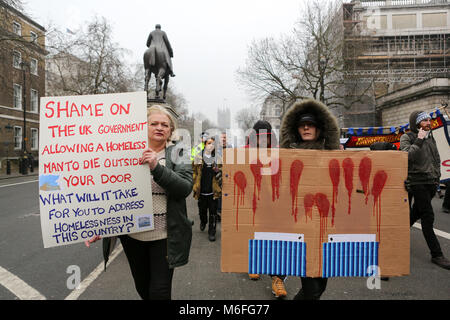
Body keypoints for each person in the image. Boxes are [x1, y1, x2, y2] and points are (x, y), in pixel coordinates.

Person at [88, 105, 193, 300]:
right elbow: (111, 194)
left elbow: (184, 188)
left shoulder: (179, 153)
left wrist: (156, 167)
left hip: (163, 237)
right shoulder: (124, 153)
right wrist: (100, 225)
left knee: (159, 292)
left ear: (171, 130)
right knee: (143, 288)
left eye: (165, 125)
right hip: (133, 236)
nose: (159, 127)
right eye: (154, 123)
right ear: (143, 126)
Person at [280, 99, 341, 300]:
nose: (306, 127)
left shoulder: (335, 155)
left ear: (319, 128)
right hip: (299, 227)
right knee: (312, 288)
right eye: (301, 124)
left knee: (320, 284)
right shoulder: (285, 157)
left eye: (311, 124)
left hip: (327, 227)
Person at [400, 111, 450, 270]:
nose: (429, 122)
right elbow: (406, 156)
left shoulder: (430, 137)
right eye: (425, 120)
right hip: (417, 182)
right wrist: (419, 139)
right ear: (417, 123)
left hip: (430, 182)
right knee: (428, 217)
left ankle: (395, 238)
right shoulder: (408, 137)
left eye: (429, 120)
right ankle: (437, 255)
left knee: (415, 213)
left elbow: (436, 158)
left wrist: (437, 177)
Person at [245, 120, 288, 299]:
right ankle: (254, 263)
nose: (263, 141)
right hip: (252, 200)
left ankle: (277, 278)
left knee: (277, 240)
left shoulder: (281, 153)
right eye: (259, 138)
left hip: (275, 202)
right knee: (254, 233)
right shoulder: (244, 153)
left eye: (266, 138)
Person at [193, 137, 222, 242]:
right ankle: (203, 221)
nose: (211, 145)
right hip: (202, 191)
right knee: (202, 211)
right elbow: (194, 172)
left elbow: (223, 173)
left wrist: (218, 171)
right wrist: (194, 184)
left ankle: (212, 232)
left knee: (213, 213)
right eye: (209, 143)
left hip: (213, 191)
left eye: (213, 144)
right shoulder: (198, 157)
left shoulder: (217, 158)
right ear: (205, 144)